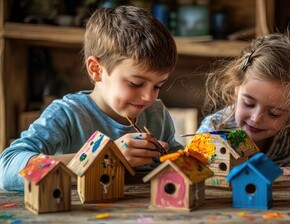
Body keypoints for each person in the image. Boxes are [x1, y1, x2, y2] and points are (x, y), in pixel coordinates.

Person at [0, 6, 183, 191]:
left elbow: (177, 163)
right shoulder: (67, 114)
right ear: (96, 70)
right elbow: (6, 170)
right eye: (135, 83)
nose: (148, 96)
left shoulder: (156, 114)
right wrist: (101, 158)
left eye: (158, 85)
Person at [197, 33, 290, 167]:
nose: (256, 118)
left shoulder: (286, 136)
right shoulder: (212, 129)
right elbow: (194, 175)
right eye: (249, 104)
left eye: (274, 113)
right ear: (236, 89)